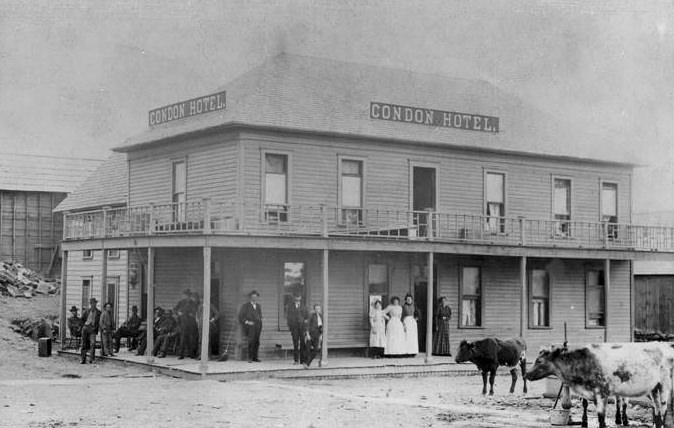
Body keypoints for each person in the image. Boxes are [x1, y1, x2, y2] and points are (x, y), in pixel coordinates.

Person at [238, 289, 262, 363]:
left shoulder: (258, 306)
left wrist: (260, 319)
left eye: (256, 297)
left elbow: (260, 315)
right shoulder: (246, 306)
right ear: (250, 297)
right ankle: (250, 358)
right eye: (253, 297)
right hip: (250, 327)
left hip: (258, 326)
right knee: (251, 341)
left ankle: (255, 357)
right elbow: (240, 316)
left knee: (257, 341)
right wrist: (247, 322)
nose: (254, 298)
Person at [286, 294, 309, 365]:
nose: (297, 298)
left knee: (303, 343)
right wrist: (291, 327)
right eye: (296, 297)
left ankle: (303, 360)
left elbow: (307, 317)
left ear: (301, 297)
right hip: (294, 328)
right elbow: (288, 318)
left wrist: (305, 321)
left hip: (302, 328)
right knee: (295, 344)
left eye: (298, 296)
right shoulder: (290, 307)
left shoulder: (304, 306)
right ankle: (296, 360)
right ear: (294, 298)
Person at [80, 297, 101, 364]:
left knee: (93, 344)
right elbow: (82, 319)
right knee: (84, 344)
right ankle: (83, 359)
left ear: (96, 304)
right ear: (90, 304)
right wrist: (83, 326)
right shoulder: (86, 311)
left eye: (94, 303)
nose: (93, 305)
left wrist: (95, 328)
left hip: (92, 329)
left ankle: (91, 359)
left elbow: (99, 322)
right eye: (91, 303)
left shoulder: (98, 312)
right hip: (85, 328)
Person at [304, 304, 323, 368]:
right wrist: (307, 334)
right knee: (307, 350)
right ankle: (306, 364)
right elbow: (307, 325)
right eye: (316, 308)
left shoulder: (321, 316)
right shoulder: (311, 315)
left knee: (316, 349)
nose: (318, 310)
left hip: (317, 334)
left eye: (319, 308)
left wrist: (321, 335)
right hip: (311, 334)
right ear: (314, 309)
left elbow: (322, 326)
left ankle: (307, 363)